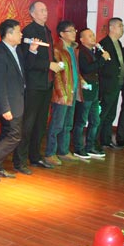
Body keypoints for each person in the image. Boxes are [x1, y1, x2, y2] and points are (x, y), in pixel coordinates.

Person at [0, 19, 36, 181]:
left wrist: (32, 51)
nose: (21, 34)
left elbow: (23, 70)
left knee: (7, 134)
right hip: (8, 103)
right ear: (9, 34)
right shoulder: (0, 54)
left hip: (16, 100)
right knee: (14, 135)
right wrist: (5, 108)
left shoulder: (15, 49)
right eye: (18, 31)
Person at [13, 1, 61, 174]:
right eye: (41, 10)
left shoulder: (47, 30)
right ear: (32, 13)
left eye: (46, 9)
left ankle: (35, 156)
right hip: (34, 84)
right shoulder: (28, 32)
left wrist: (54, 65)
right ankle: (19, 161)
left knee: (41, 123)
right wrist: (48, 65)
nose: (45, 12)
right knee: (28, 123)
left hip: (46, 83)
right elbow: (27, 60)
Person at [44, 20, 83, 165]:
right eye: (70, 31)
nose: (74, 33)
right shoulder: (57, 49)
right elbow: (57, 75)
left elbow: (75, 70)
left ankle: (64, 151)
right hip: (62, 93)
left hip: (72, 91)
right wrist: (61, 93)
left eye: (74, 31)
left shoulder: (73, 49)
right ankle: (50, 153)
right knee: (57, 125)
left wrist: (81, 82)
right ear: (61, 34)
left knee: (68, 125)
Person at [72, 28, 110, 159]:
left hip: (94, 90)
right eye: (89, 36)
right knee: (81, 121)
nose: (93, 37)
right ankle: (78, 148)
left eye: (93, 35)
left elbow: (96, 68)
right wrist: (102, 60)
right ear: (82, 40)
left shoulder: (92, 51)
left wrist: (101, 57)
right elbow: (86, 69)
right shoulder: (81, 52)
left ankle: (90, 146)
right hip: (85, 91)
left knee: (95, 120)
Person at [98, 17, 124, 149]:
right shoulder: (104, 44)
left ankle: (106, 140)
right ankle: (94, 141)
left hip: (117, 83)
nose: (122, 29)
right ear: (111, 28)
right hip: (107, 84)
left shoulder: (118, 43)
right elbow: (100, 65)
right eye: (120, 26)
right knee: (103, 113)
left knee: (111, 114)